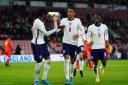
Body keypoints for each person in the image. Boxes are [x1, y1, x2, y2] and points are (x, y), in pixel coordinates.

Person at [31, 8, 57, 85]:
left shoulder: (41, 22)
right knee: (39, 63)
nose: (47, 16)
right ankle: (35, 80)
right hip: (36, 44)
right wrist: (55, 29)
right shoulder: (38, 22)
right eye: (46, 15)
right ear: (43, 15)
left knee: (48, 60)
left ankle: (44, 79)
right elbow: (46, 33)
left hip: (42, 43)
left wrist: (55, 21)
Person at [58, 7, 84, 85]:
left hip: (74, 44)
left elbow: (82, 30)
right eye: (69, 11)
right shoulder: (63, 20)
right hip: (66, 43)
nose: (69, 13)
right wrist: (57, 24)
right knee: (66, 59)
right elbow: (58, 28)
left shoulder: (77, 21)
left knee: (73, 62)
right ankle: (67, 78)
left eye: (71, 12)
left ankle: (71, 77)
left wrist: (78, 34)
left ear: (74, 13)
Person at [87, 15, 109, 82]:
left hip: (102, 47)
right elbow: (88, 36)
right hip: (94, 47)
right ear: (94, 19)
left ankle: (102, 67)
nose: (96, 19)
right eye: (95, 18)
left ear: (100, 19)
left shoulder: (104, 26)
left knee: (104, 62)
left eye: (98, 18)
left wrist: (107, 41)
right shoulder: (90, 27)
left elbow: (106, 34)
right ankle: (97, 76)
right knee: (95, 63)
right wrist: (89, 42)